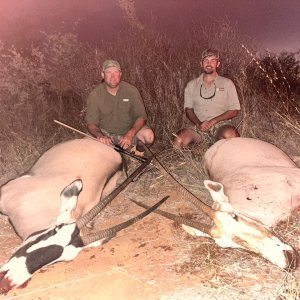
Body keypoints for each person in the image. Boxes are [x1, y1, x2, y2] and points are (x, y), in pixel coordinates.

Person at [174, 49, 240, 148]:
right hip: (199, 127)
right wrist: (199, 123)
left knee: (231, 136)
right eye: (206, 60)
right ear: (201, 64)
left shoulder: (227, 83)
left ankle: (219, 148)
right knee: (178, 141)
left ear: (218, 64)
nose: (209, 63)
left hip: (221, 126)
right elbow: (188, 110)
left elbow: (234, 110)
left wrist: (213, 121)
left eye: (213, 60)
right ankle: (199, 149)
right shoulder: (191, 85)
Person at [85, 59, 154, 152]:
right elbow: (91, 124)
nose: (112, 76)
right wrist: (100, 136)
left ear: (120, 74)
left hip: (128, 132)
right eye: (108, 72)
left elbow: (141, 117)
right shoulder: (95, 94)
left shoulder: (131, 91)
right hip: (106, 134)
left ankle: (138, 151)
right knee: (86, 144)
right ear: (103, 74)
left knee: (149, 136)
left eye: (116, 72)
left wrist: (130, 134)